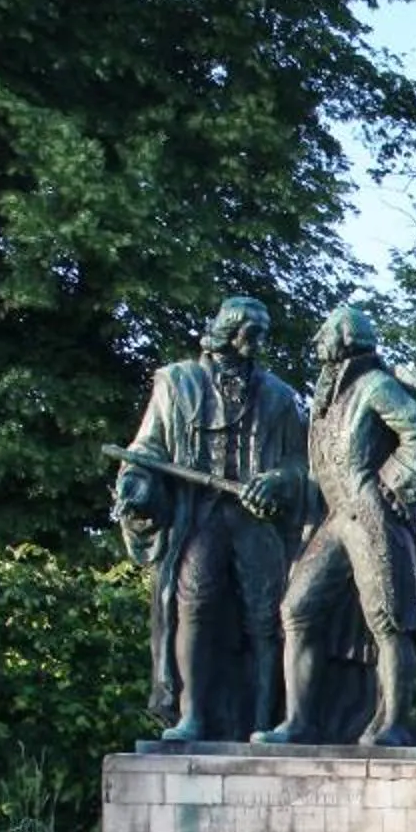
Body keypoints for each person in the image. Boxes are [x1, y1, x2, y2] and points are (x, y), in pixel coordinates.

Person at [111, 297, 308, 741]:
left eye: (263, 332)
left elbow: (302, 465)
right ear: (226, 333)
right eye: (250, 331)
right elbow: (147, 449)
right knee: (193, 604)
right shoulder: (176, 383)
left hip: (255, 518)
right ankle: (192, 715)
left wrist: (278, 480)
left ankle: (264, 721)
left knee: (267, 615)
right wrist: (136, 487)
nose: (258, 341)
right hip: (199, 514)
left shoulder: (280, 396)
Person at [258, 302, 416, 748]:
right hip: (335, 517)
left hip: (369, 513)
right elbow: (317, 470)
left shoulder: (375, 386)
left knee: (388, 619)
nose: (318, 342)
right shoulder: (328, 401)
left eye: (324, 334)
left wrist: (390, 485)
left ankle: (394, 723)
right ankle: (299, 722)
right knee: (296, 609)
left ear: (343, 340)